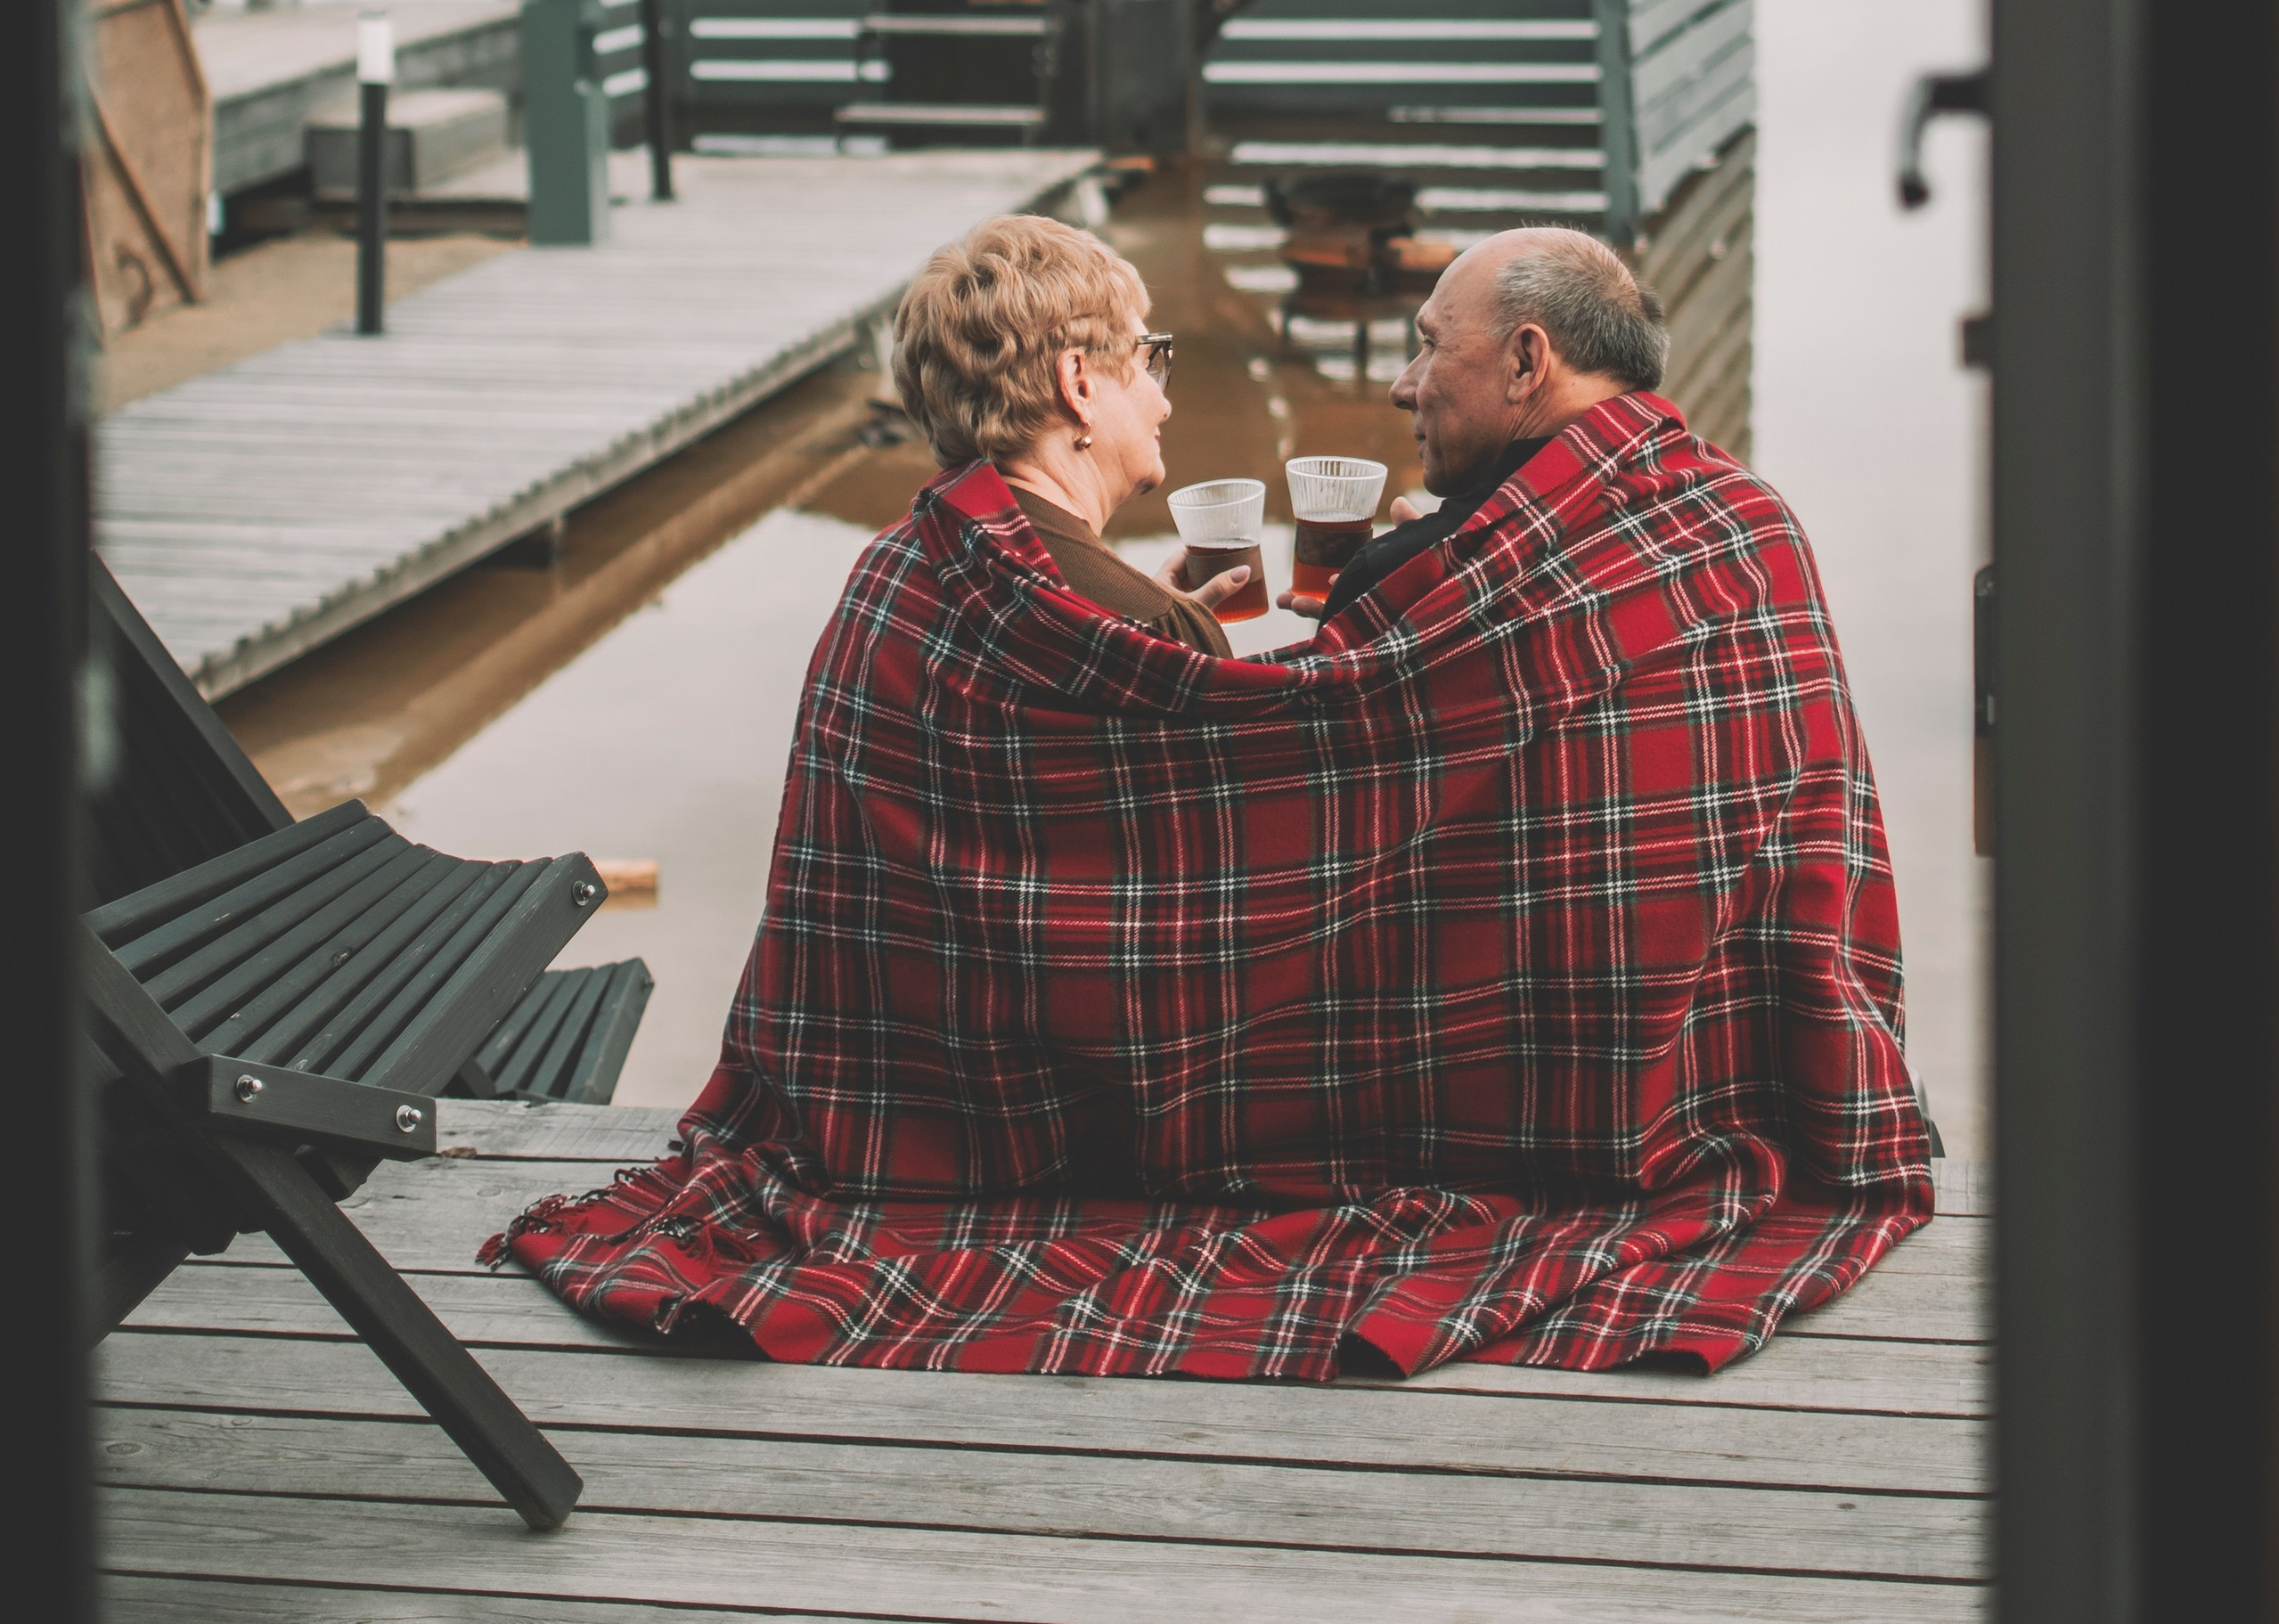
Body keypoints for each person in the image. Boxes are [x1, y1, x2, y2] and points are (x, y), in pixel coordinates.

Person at [494, 208, 1933, 1383]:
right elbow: (1340, 745)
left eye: (1427, 349)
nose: (1396, 382)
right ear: (1077, 386)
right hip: (1645, 1090)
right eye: (1148, 358)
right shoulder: (1734, 529)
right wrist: (1213, 644)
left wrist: (1206, 640)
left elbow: (1248, 754)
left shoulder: (906, 578)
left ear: (1529, 359)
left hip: (914, 1104)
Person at [887, 214, 1239, 654]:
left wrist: (1137, 608)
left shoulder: (888, 566)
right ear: (1079, 385)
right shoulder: (1156, 636)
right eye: (1147, 360)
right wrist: (1161, 630)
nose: (1163, 405)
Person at [1310, 224, 1670, 628]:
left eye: (1432, 345)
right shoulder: (1747, 512)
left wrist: (1396, 574)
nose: (1401, 389)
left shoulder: (1396, 586)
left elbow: (1313, 691)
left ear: (1524, 364)